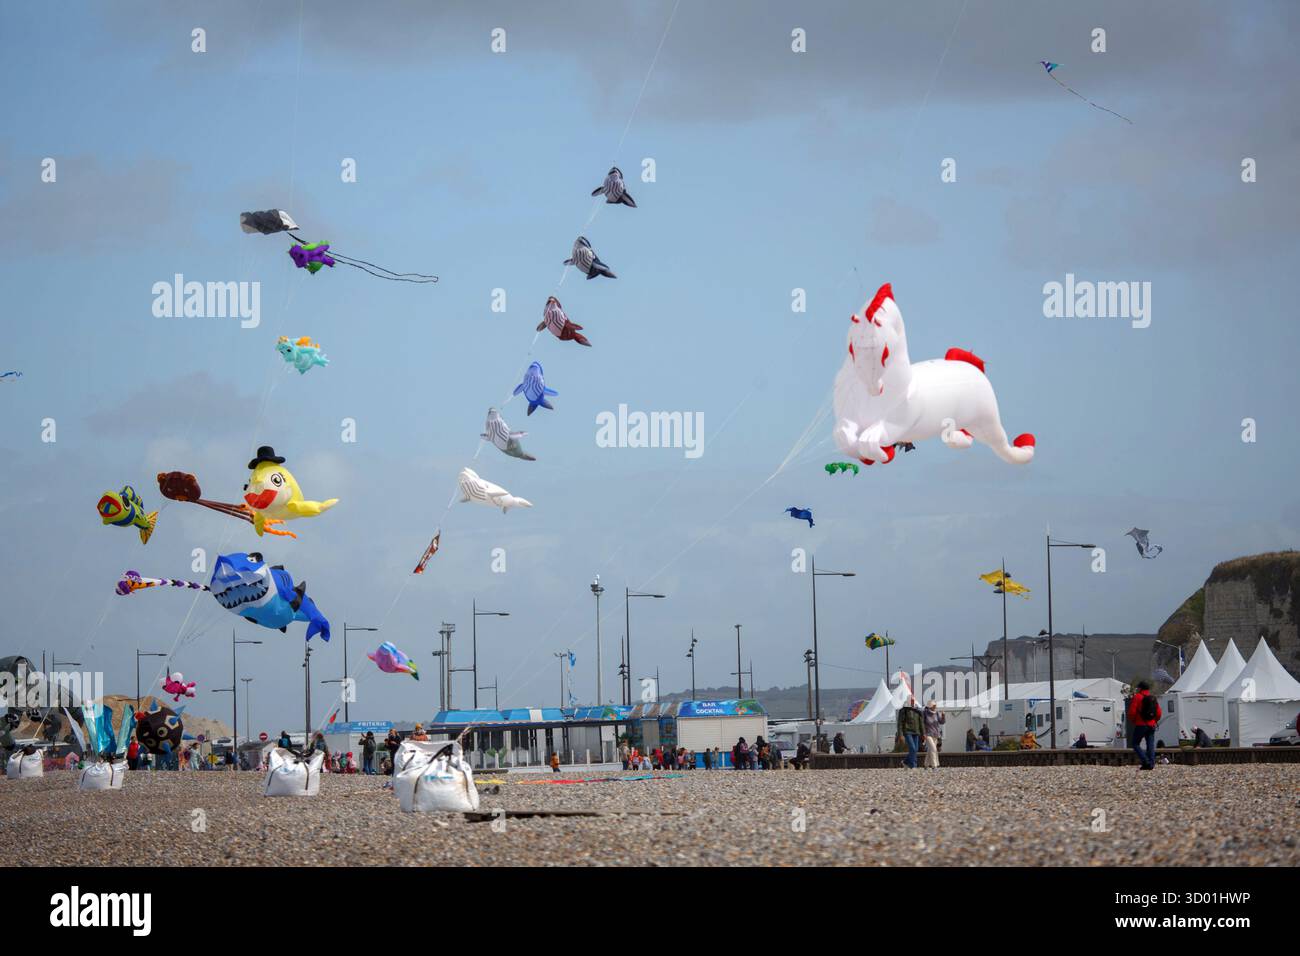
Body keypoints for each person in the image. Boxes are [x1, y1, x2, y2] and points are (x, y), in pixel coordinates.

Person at [1128, 680, 1161, 771]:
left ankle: (1146, 761)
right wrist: (1154, 721)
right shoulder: (1153, 698)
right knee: (1150, 744)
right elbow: (1159, 713)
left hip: (1140, 724)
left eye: (1138, 687)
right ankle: (1151, 764)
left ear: (1140, 688)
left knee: (1135, 744)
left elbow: (1132, 712)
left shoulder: (1137, 697)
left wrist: (1134, 721)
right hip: (1151, 725)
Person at [895, 696, 925, 769]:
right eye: (911, 701)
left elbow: (921, 723)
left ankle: (905, 762)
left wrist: (923, 733)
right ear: (908, 701)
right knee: (913, 748)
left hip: (916, 732)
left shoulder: (917, 711)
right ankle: (913, 765)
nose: (913, 702)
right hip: (907, 731)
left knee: (915, 749)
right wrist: (900, 735)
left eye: (913, 701)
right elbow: (900, 723)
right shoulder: (903, 710)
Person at [923, 701, 945, 768]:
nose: (935, 707)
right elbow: (922, 724)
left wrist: (943, 716)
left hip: (935, 734)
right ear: (930, 706)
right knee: (933, 748)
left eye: (935, 705)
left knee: (930, 750)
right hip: (928, 734)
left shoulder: (936, 713)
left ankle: (926, 765)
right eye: (934, 706)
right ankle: (934, 766)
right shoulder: (925, 713)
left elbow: (942, 722)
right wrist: (923, 733)